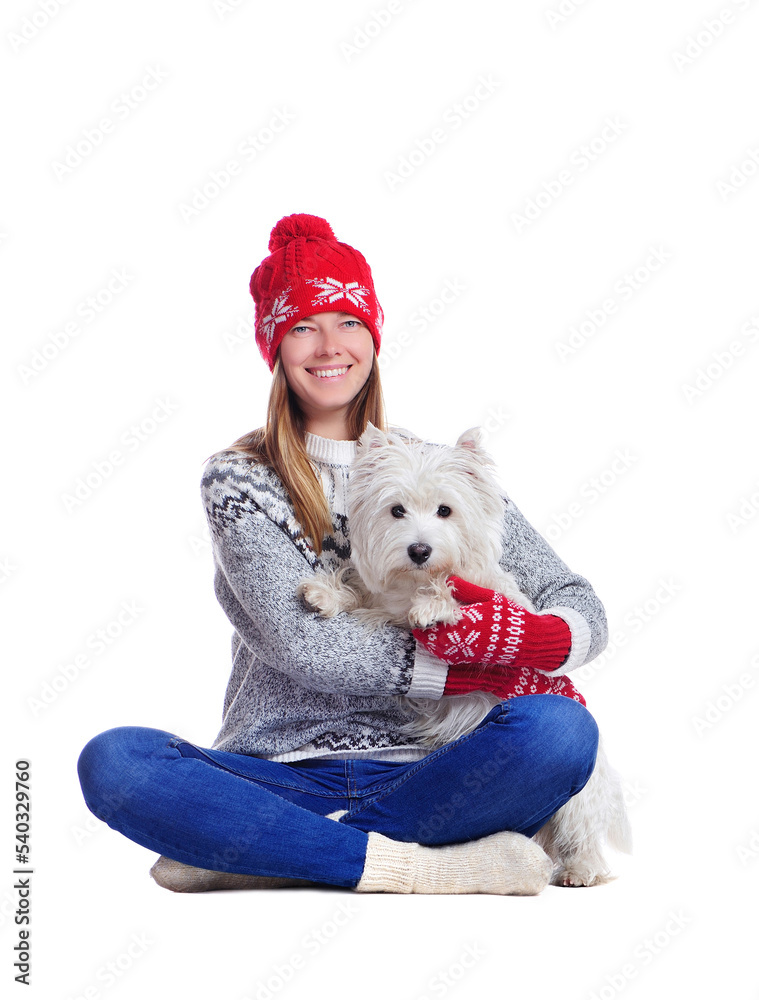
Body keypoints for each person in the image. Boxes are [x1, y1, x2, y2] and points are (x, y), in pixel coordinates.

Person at [77, 213, 607, 896]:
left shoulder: (431, 465)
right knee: (117, 761)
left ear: (373, 336)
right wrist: (463, 664)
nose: (329, 345)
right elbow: (309, 651)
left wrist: (532, 641)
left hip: (434, 763)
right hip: (281, 767)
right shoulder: (240, 479)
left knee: (560, 730)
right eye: (301, 325)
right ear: (275, 347)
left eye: (347, 321)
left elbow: (575, 598)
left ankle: (257, 848)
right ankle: (425, 866)